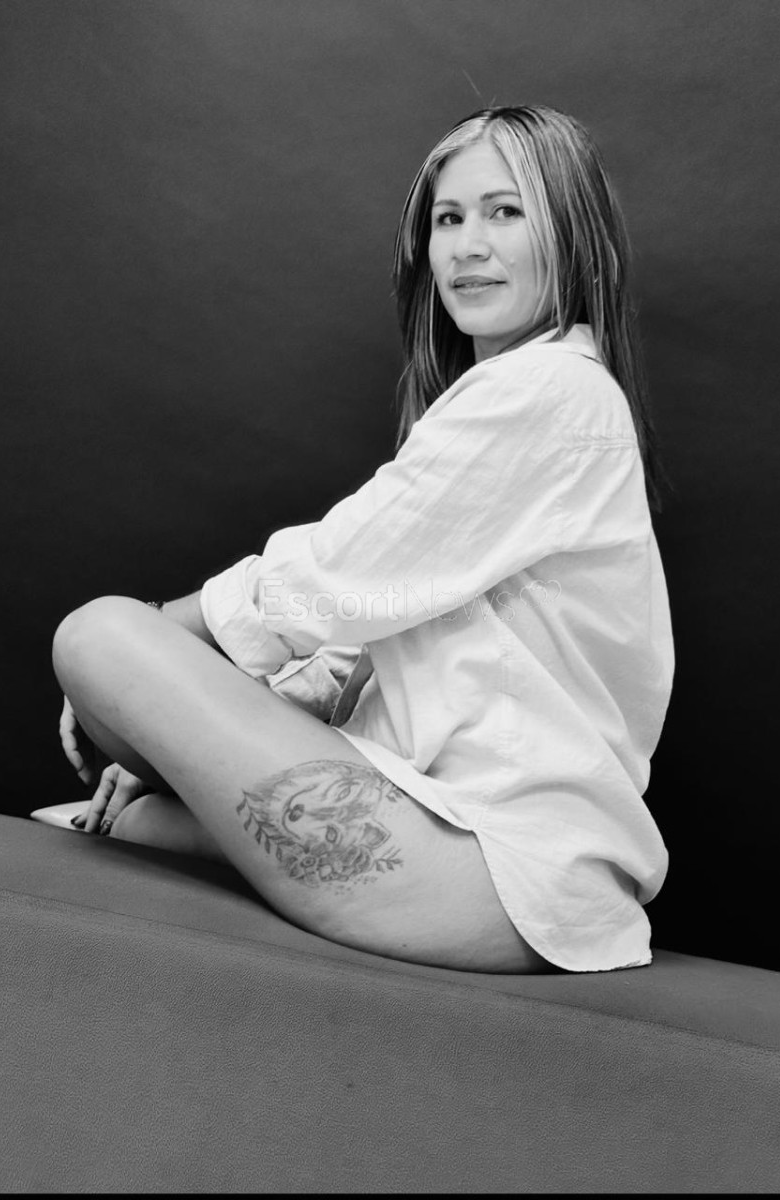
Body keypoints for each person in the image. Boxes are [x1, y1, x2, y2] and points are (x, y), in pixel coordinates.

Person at [37, 104, 674, 975]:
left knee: (97, 635)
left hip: (497, 866)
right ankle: (163, 816)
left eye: (505, 211)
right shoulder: (517, 398)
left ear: (574, 234)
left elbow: (337, 576)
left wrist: (156, 637)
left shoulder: (553, 391)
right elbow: (362, 644)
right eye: (448, 219)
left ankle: (167, 810)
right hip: (447, 836)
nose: (468, 246)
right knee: (128, 751)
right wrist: (193, 732)